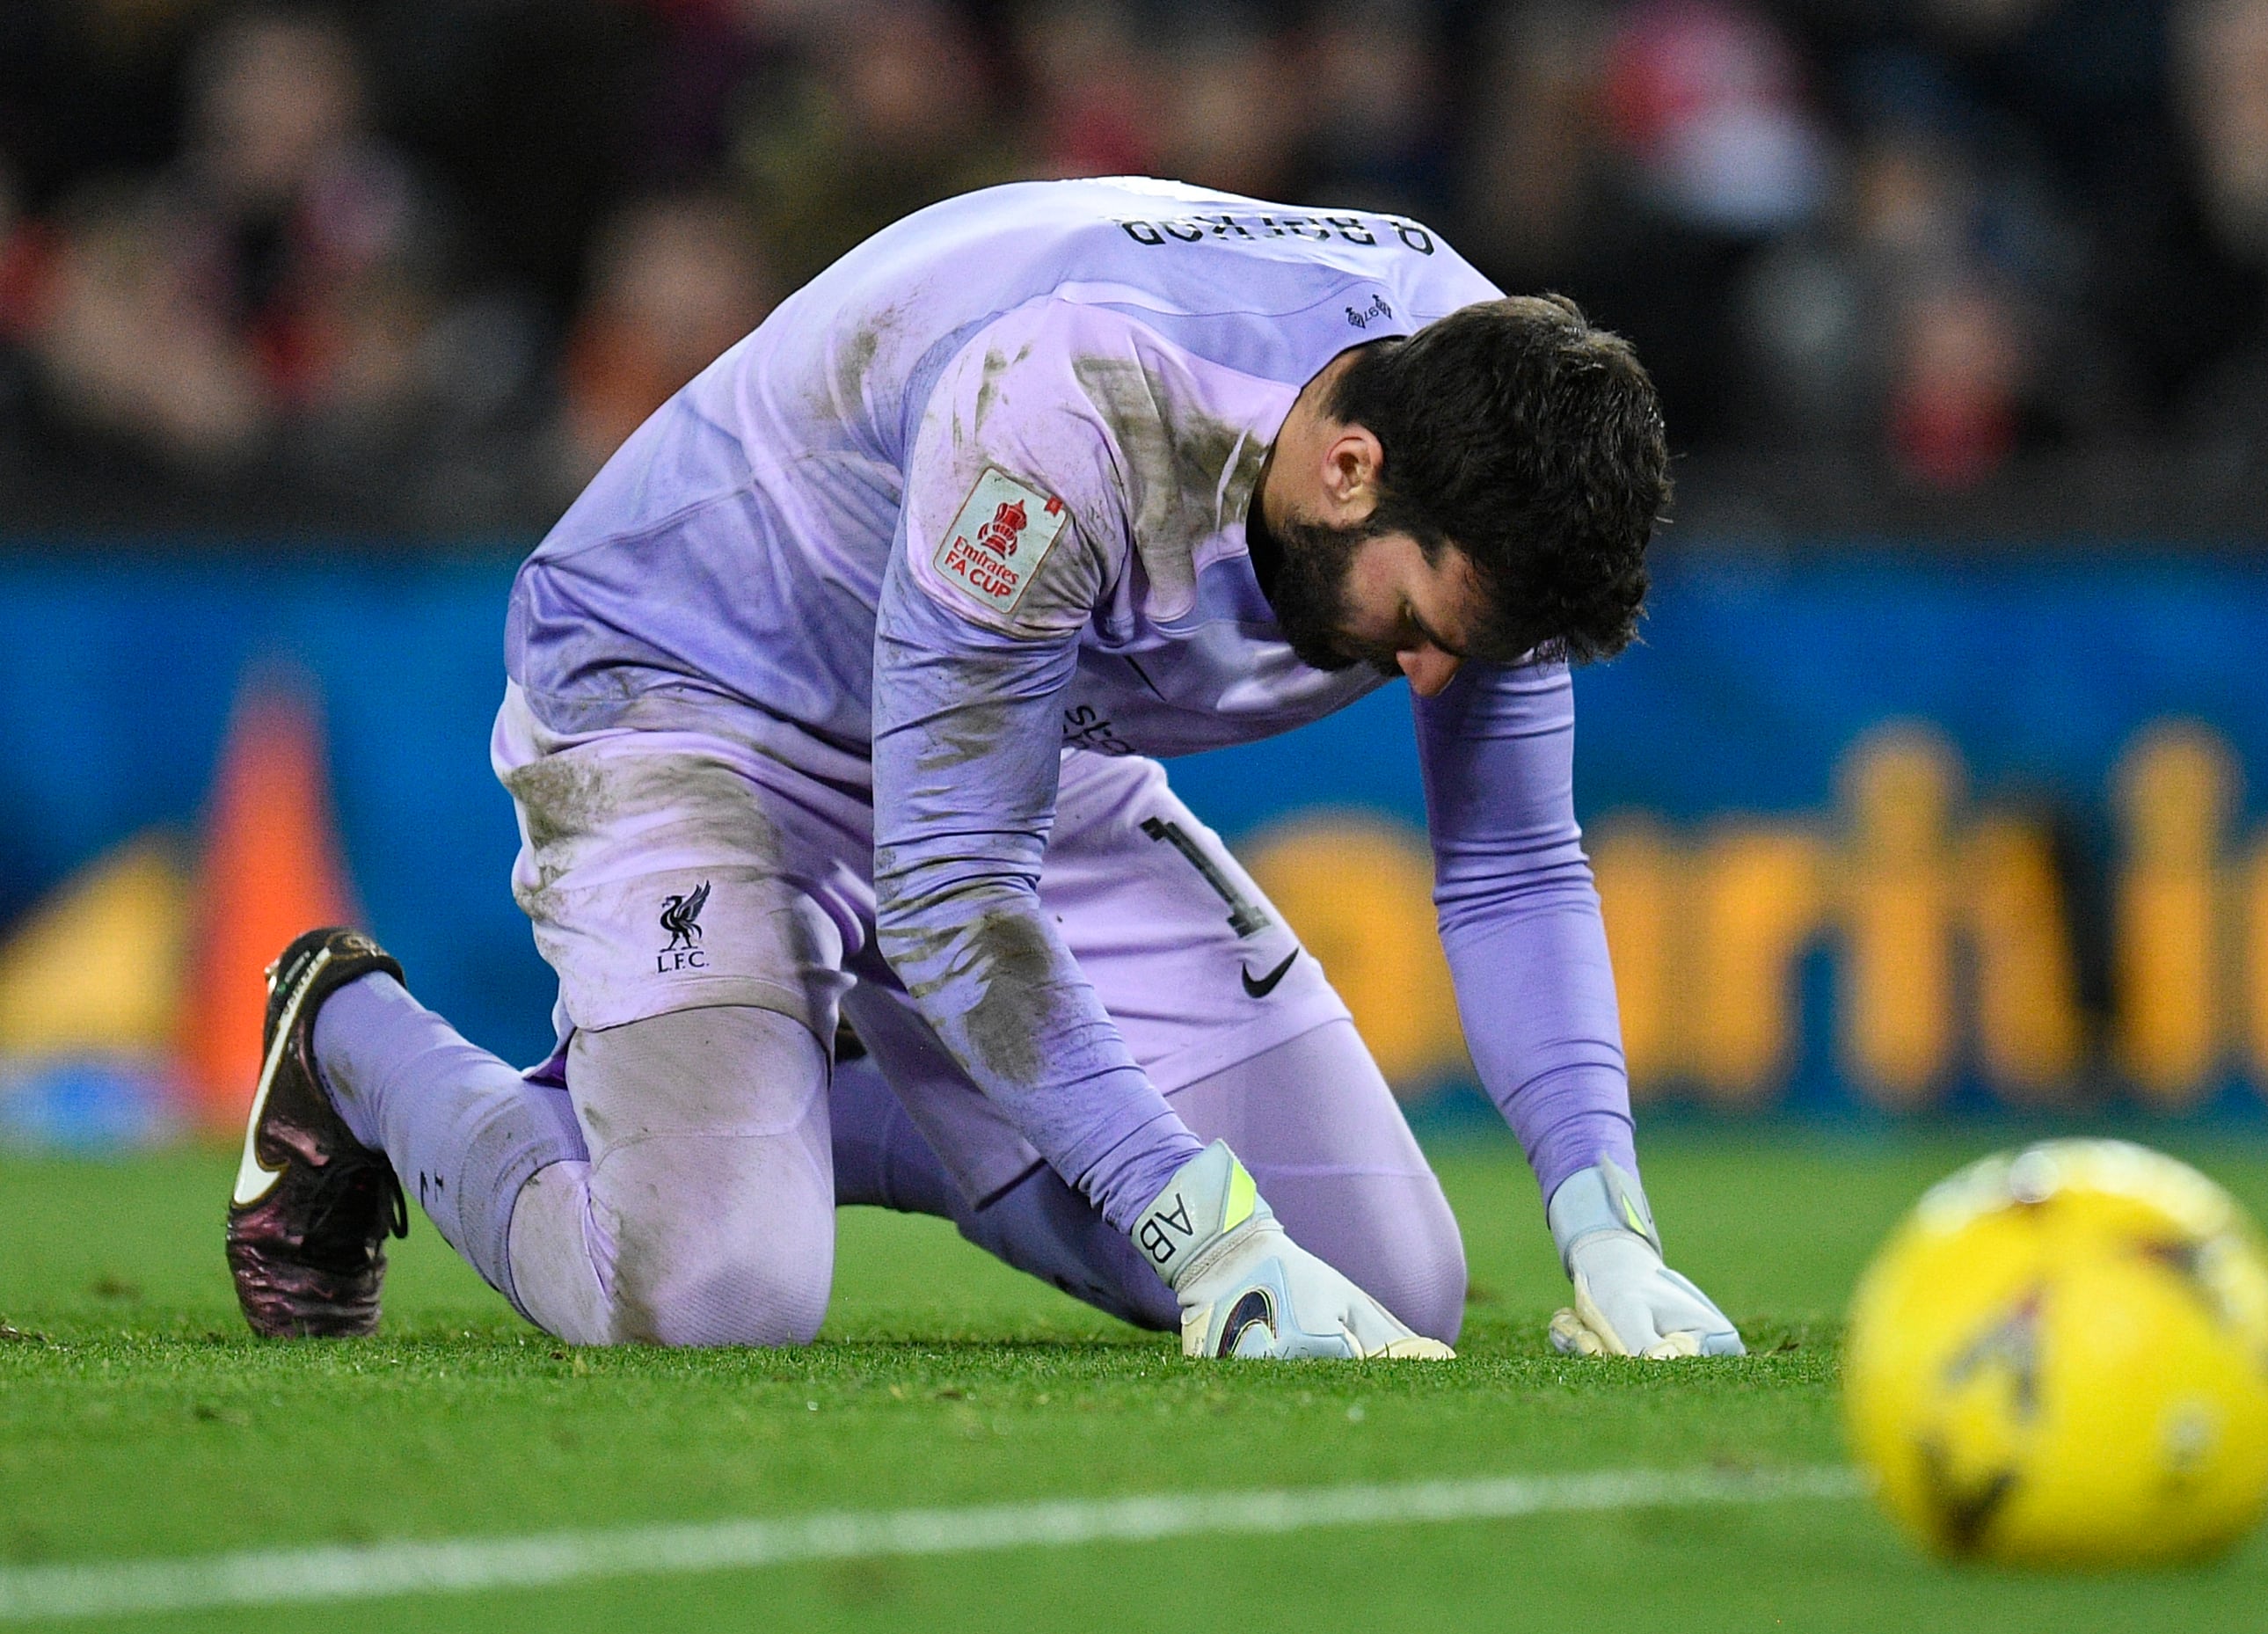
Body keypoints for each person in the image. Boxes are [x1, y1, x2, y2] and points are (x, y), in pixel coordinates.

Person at [224, 178, 1747, 1362]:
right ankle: (353, 1036)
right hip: (709, 703)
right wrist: (1202, 1230)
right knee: (709, 1291)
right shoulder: (1071, 403)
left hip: (1013, 736)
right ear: (1346, 469)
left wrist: (1604, 1224)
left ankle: (776, 1085)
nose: (1427, 678)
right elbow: (951, 891)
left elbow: (1510, 862)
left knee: (1382, 1280)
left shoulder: (1500, 431)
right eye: (1416, 628)